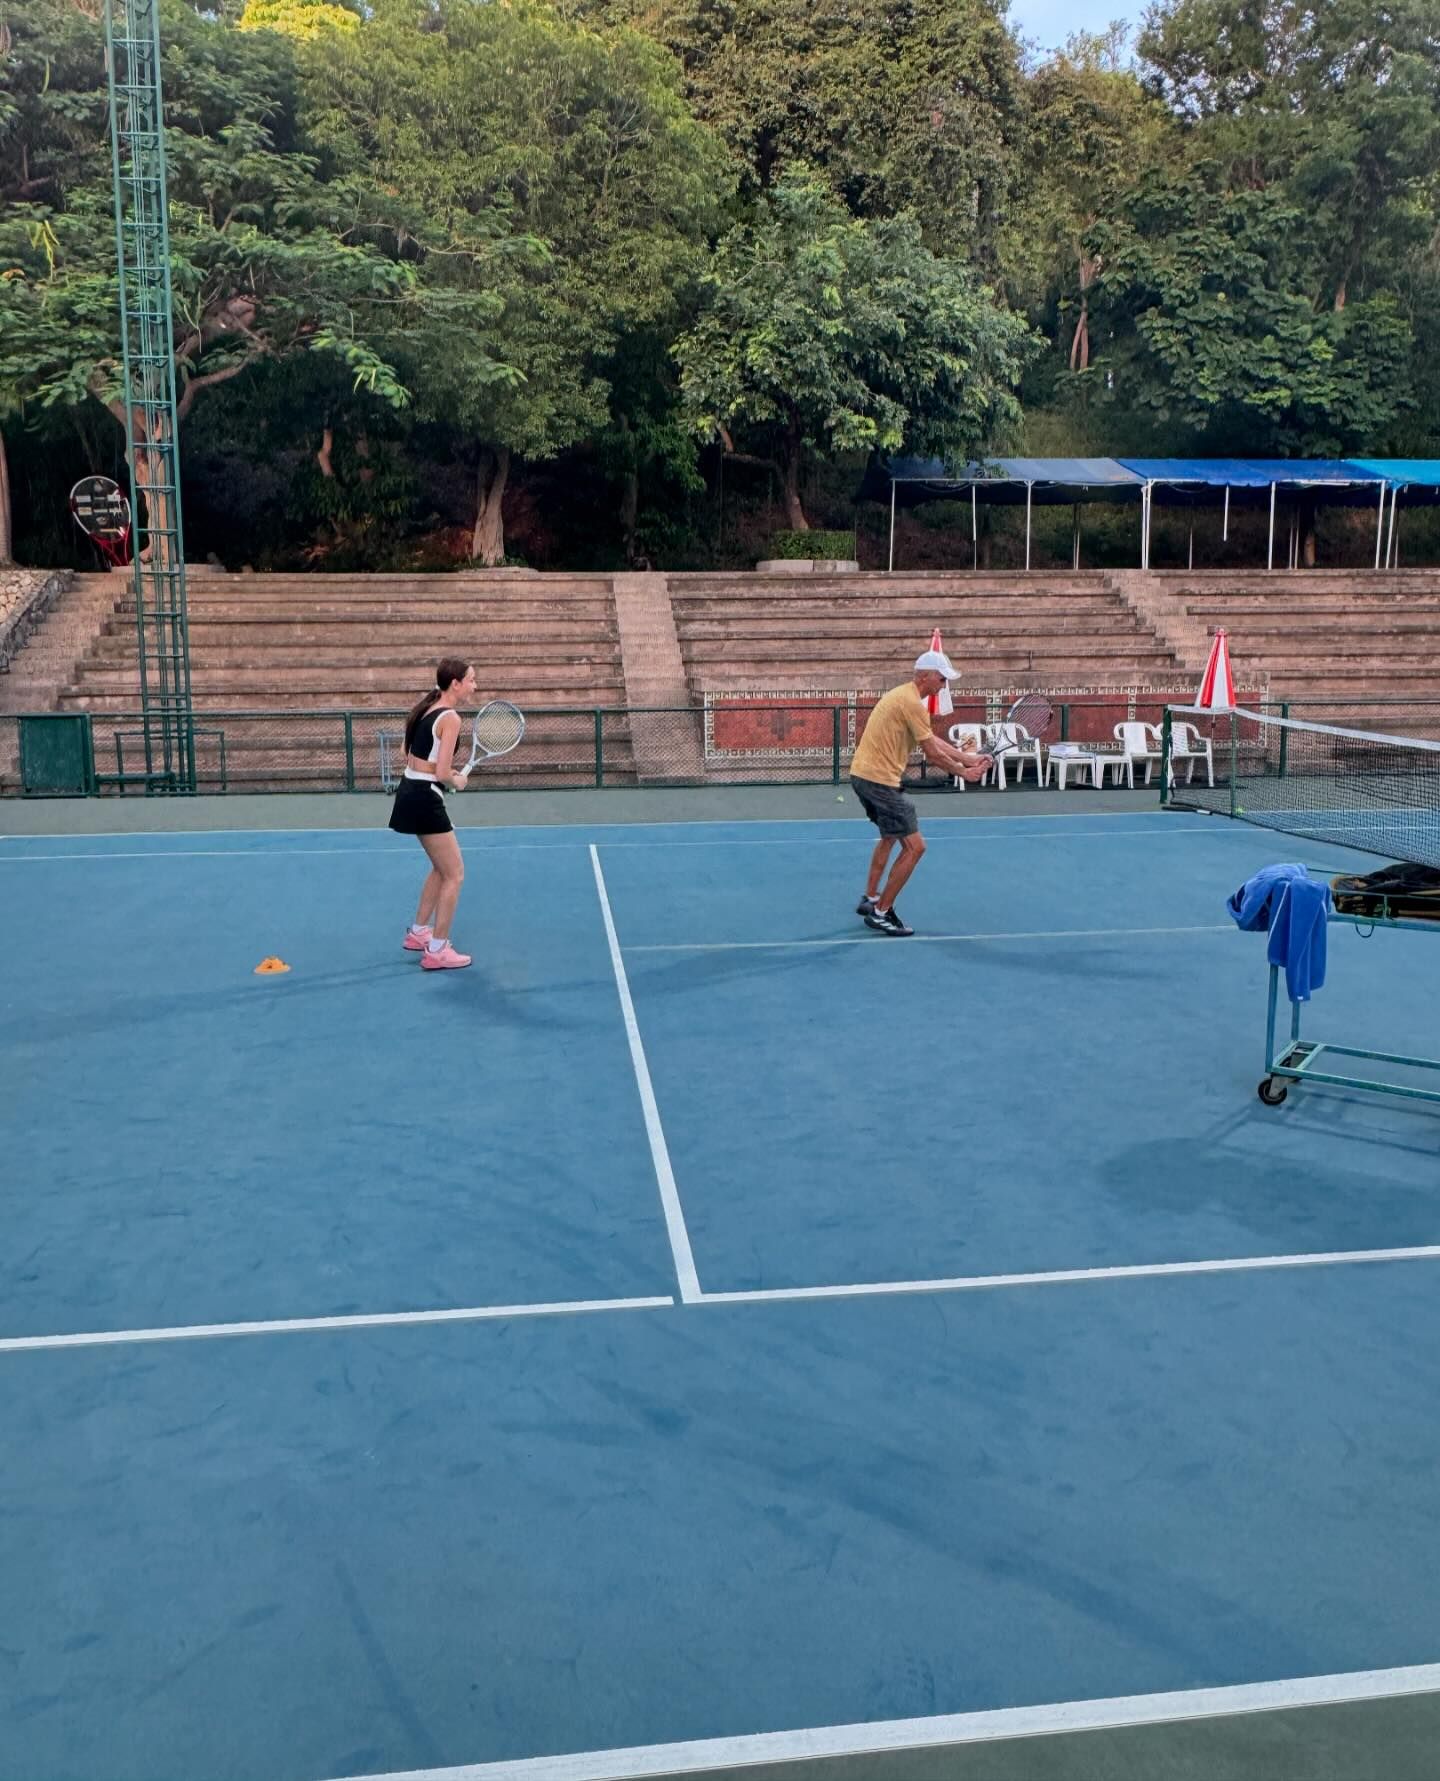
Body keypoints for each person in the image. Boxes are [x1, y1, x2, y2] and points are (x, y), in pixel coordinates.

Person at [849, 648, 991, 936]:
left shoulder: (903, 696)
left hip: (863, 776)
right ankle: (881, 913)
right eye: (942, 679)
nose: (944, 685)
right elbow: (933, 755)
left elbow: (933, 741)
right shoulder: (912, 703)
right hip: (880, 782)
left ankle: (871, 897)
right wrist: (965, 772)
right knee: (916, 847)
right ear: (925, 676)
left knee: (890, 837)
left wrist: (969, 758)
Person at [388, 657, 477, 970]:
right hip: (425, 797)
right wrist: (457, 779)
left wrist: (443, 773)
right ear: (455, 683)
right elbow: (441, 771)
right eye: (471, 680)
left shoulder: (425, 707)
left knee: (441, 869)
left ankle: (419, 933)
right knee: (455, 874)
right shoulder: (450, 717)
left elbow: (406, 754)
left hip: (410, 791)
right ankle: (437, 949)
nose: (474, 686)